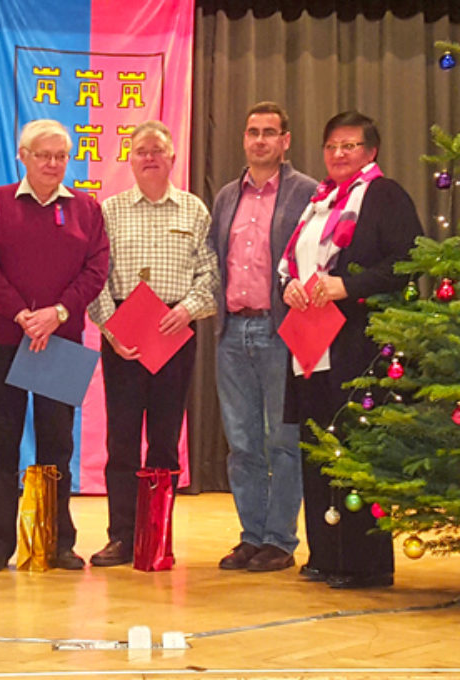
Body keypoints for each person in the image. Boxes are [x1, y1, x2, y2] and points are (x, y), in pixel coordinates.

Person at [280, 111, 423, 589]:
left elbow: (406, 263)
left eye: (349, 146)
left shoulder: (384, 195)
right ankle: (325, 553)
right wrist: (290, 289)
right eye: (331, 146)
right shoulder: (318, 201)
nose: (338, 154)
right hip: (310, 343)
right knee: (317, 449)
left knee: (354, 451)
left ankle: (365, 562)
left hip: (358, 345)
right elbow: (295, 263)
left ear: (371, 151)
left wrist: (347, 285)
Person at [0, 119, 109, 573]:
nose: (53, 164)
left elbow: (96, 268)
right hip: (4, 339)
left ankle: (57, 541)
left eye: (60, 156)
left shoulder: (87, 209)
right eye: (43, 155)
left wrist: (58, 313)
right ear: (23, 156)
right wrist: (21, 314)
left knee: (57, 445)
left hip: (61, 340)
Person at [87, 120, 218, 567]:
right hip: (124, 332)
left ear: (172, 158)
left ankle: (156, 536)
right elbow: (95, 277)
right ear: (130, 159)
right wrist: (112, 329)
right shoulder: (110, 210)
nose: (149, 157)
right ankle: (121, 536)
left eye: (157, 150)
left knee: (165, 440)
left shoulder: (195, 210)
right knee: (121, 440)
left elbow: (210, 275)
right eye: (140, 150)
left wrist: (189, 309)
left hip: (174, 330)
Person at [211, 102, 317, 572]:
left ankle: (280, 539)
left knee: (284, 441)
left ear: (285, 140)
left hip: (281, 333)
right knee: (242, 443)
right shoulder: (226, 196)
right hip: (233, 329)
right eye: (252, 131)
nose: (259, 140)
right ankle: (251, 535)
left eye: (269, 132)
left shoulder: (308, 193)